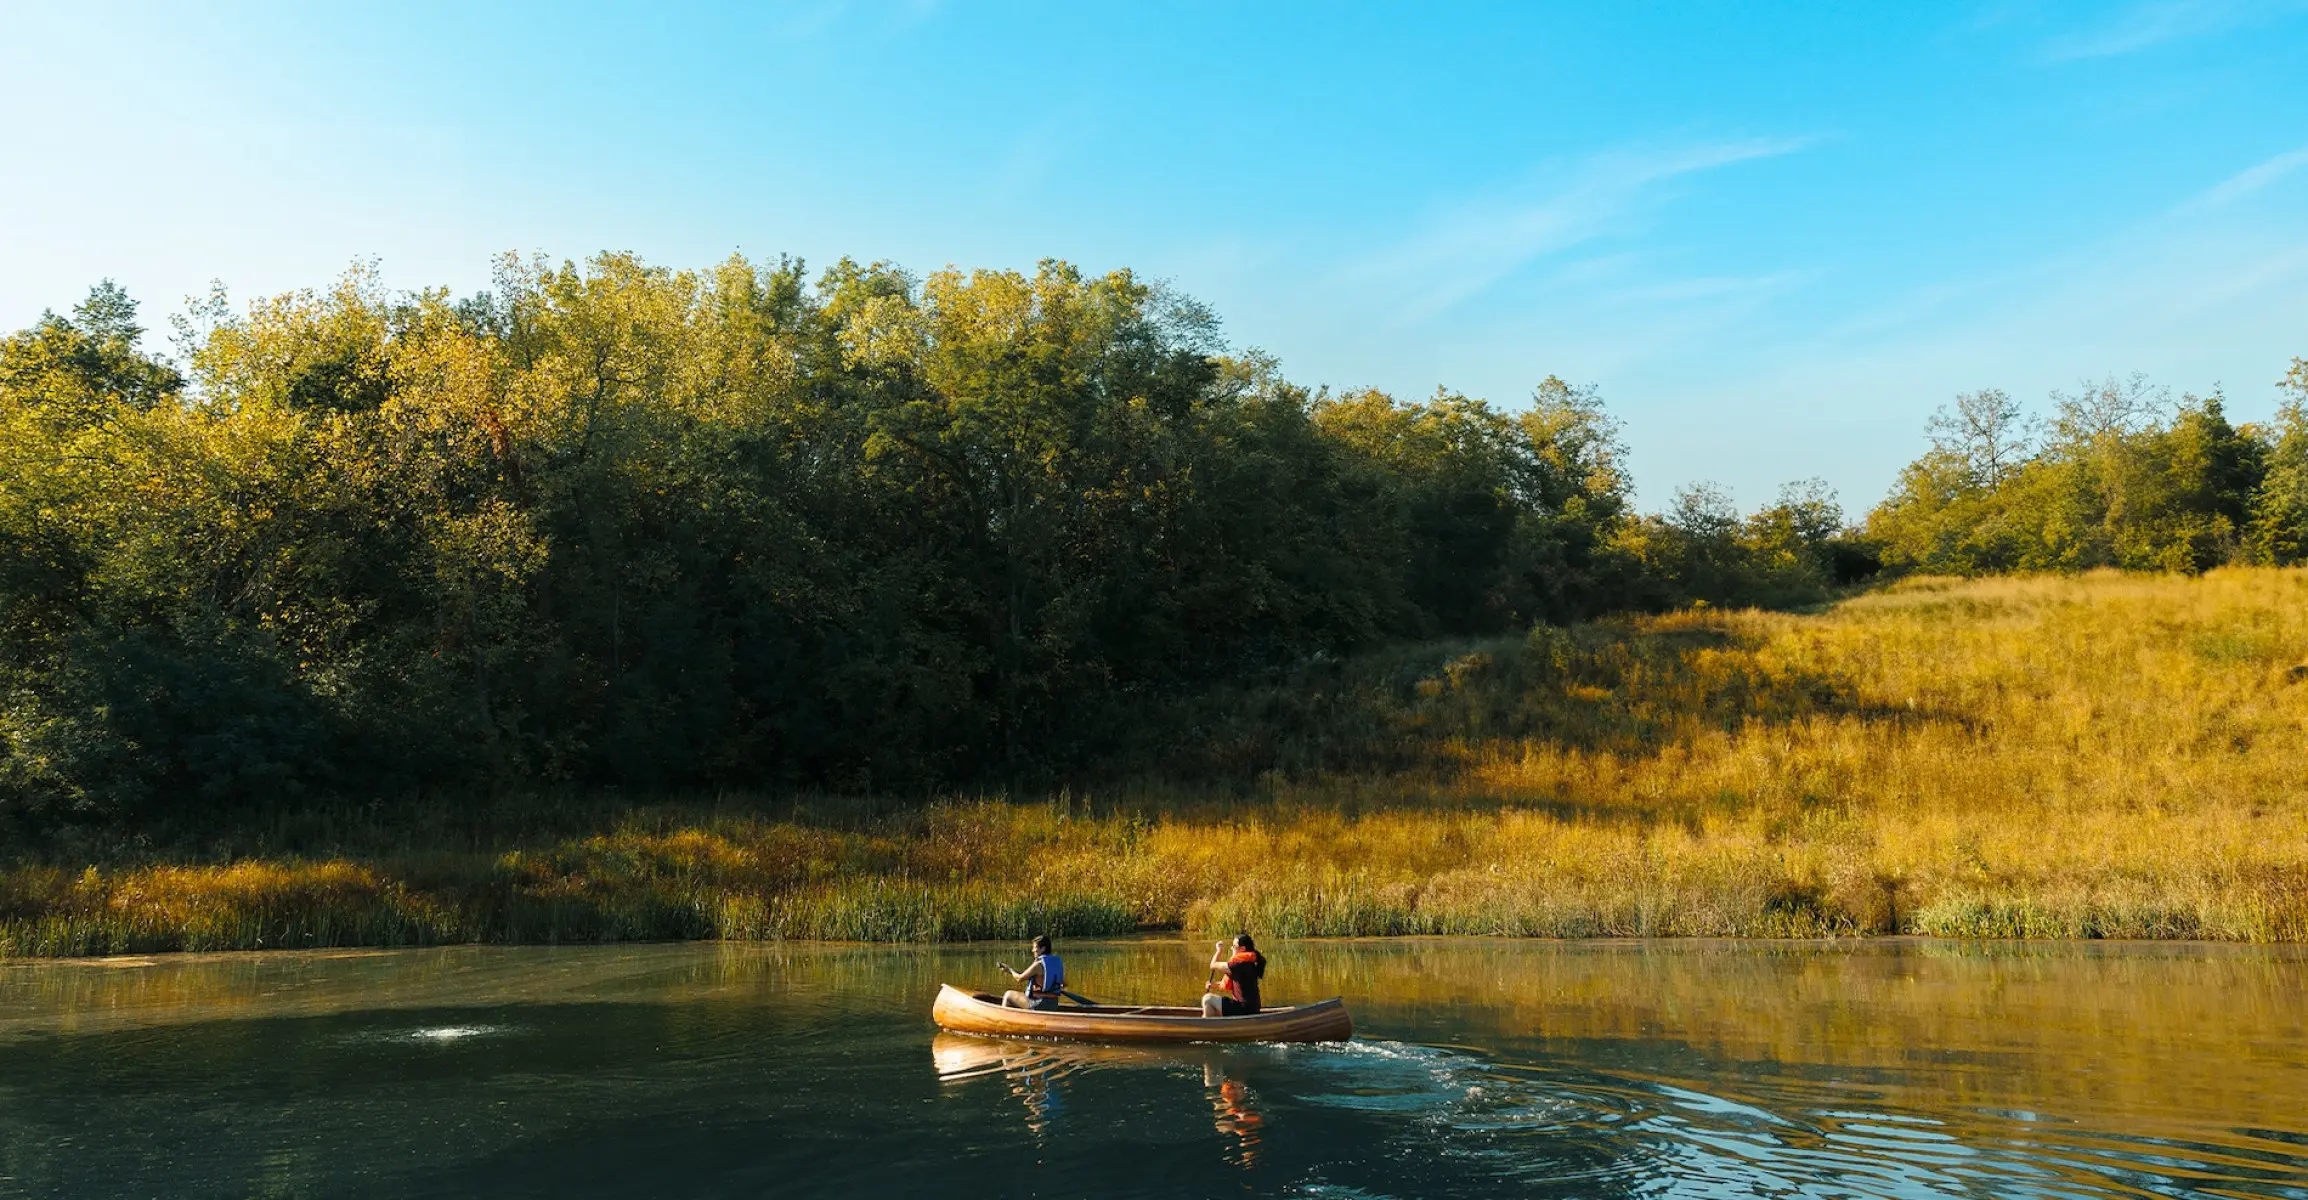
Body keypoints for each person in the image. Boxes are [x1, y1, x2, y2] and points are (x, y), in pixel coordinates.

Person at [1201, 933, 1265, 1017]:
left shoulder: (1238, 965)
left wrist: (1219, 951)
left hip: (1243, 1009)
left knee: (1207, 998)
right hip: (1251, 1009)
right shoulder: (1249, 963)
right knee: (1210, 1007)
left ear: (1242, 949)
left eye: (1234, 946)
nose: (1232, 948)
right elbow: (1235, 985)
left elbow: (1213, 965)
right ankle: (1209, 1026)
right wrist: (1214, 985)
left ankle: (1205, 1026)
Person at [1001, 935, 1065, 1010]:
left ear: (1043, 949)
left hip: (1039, 1004)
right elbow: (1064, 983)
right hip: (1053, 1004)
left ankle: (1002, 1019)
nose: (1033, 950)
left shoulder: (1038, 965)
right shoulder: (1055, 963)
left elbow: (1019, 978)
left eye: (1035, 947)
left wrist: (1010, 970)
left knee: (1008, 995)